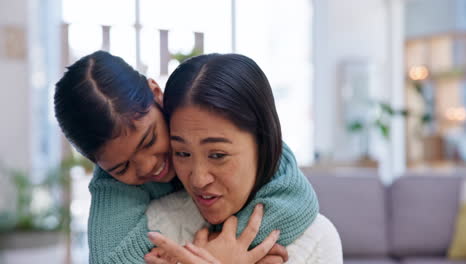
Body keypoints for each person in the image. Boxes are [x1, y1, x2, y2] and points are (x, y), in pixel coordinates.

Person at [53, 51, 321, 264]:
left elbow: (295, 197)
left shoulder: (198, 117)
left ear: (157, 94)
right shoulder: (113, 184)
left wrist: (222, 249)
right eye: (122, 167)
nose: (148, 166)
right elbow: (109, 260)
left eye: (150, 140)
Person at [144, 53, 343, 264]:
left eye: (218, 155)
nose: (198, 180)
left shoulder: (316, 241)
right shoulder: (157, 226)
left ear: (262, 144)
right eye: (182, 153)